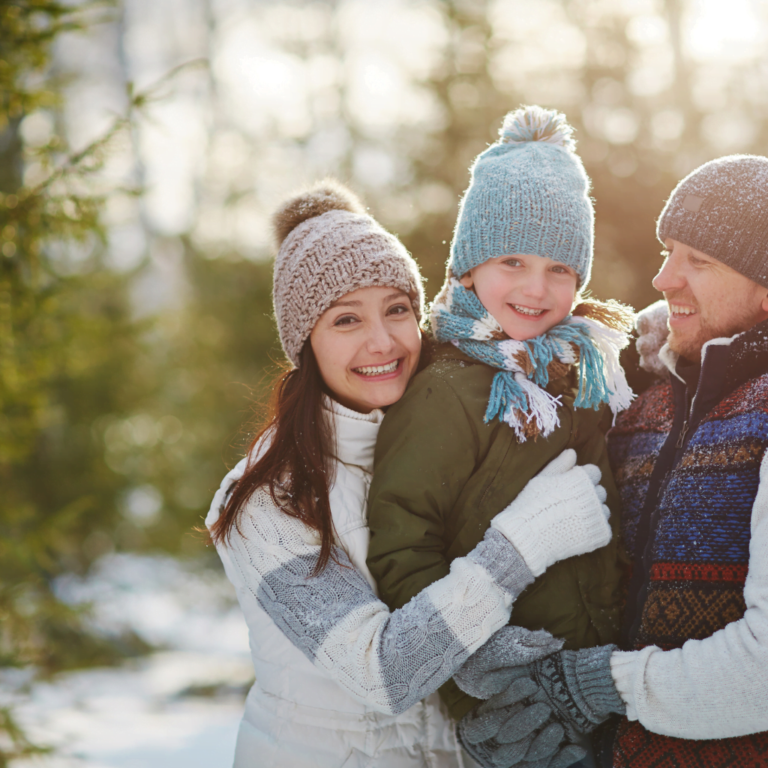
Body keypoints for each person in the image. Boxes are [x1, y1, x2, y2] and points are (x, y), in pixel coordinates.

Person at [205, 179, 614, 768]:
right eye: (346, 320)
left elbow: (537, 343)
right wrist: (521, 546)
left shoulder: (445, 439)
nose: (382, 342)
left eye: (397, 310)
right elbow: (383, 674)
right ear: (306, 342)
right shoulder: (267, 502)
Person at [453, 154, 768, 768]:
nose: (664, 280)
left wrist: (595, 686)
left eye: (698, 261)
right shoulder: (637, 395)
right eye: (667, 252)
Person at [365, 105, 634, 767]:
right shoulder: (444, 390)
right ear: (467, 268)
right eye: (512, 261)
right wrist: (480, 682)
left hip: (590, 687)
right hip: (502, 702)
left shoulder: (583, 371)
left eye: (560, 270)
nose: (536, 290)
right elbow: (402, 548)